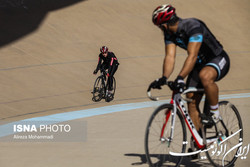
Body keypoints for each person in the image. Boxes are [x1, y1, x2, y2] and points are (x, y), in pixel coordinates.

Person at [149, 4, 230, 132]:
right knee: (191, 100)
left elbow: (192, 55)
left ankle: (215, 114)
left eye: (159, 27)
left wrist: (180, 77)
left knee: (205, 75)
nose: (160, 30)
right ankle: (198, 142)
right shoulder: (169, 35)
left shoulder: (192, 26)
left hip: (218, 58)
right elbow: (170, 57)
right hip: (199, 65)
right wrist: (164, 77)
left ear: (164, 25)